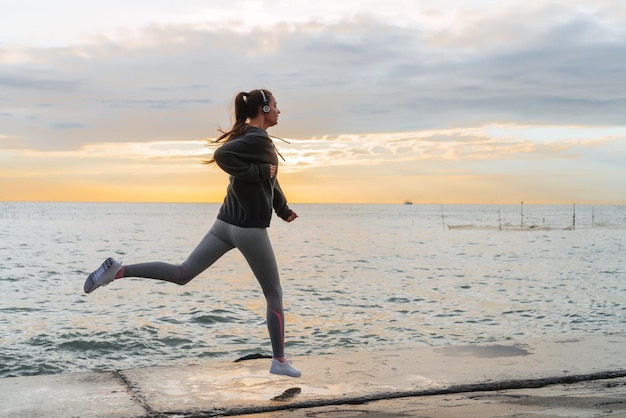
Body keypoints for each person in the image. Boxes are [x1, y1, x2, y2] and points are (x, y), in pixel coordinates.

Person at [83, 88, 301, 378]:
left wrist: (281, 208)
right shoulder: (257, 138)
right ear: (263, 108)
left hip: (224, 224)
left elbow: (269, 177)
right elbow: (230, 159)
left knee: (183, 273)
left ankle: (119, 271)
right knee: (273, 293)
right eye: (275, 105)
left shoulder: (247, 137)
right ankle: (280, 360)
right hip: (248, 229)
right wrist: (259, 175)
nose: (279, 111)